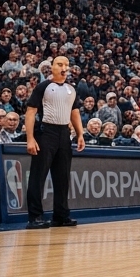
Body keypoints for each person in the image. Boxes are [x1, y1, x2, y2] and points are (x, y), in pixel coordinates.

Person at [22, 55, 85, 228]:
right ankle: (35, 217)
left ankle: (61, 215)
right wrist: (30, 138)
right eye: (59, 64)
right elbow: (30, 112)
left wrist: (80, 134)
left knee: (63, 177)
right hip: (45, 132)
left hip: (64, 133)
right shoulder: (44, 86)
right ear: (52, 67)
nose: (64, 68)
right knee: (38, 176)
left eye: (66, 65)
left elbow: (75, 113)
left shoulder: (71, 89)